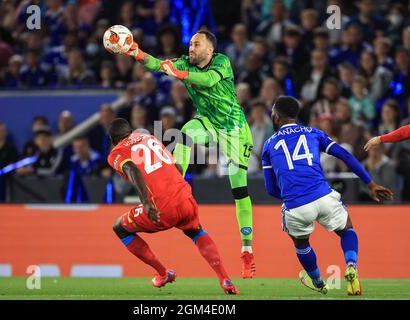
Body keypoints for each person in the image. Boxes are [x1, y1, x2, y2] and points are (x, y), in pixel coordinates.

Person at [115, 29, 256, 278]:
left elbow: (208, 80)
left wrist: (179, 73)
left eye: (197, 44)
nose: (191, 48)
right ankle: (175, 186)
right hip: (207, 122)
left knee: (239, 187)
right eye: (191, 44)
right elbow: (157, 64)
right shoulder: (183, 61)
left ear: (209, 50)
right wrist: (135, 51)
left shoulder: (222, 62)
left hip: (235, 129)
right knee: (185, 133)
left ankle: (247, 249)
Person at [261, 96, 393, 295]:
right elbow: (345, 155)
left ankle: (318, 282)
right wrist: (370, 183)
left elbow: (270, 188)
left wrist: (294, 194)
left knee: (301, 242)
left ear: (276, 117)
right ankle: (351, 266)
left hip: (296, 206)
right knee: (346, 228)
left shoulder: (268, 145)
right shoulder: (314, 133)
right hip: (323, 196)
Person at [108, 118, 239, 294]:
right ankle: (225, 280)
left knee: (119, 227)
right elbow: (175, 166)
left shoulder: (116, 153)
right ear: (130, 131)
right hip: (185, 196)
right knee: (196, 231)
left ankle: (163, 273)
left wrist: (146, 203)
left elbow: (132, 169)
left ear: (112, 140)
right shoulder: (149, 138)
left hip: (161, 207)